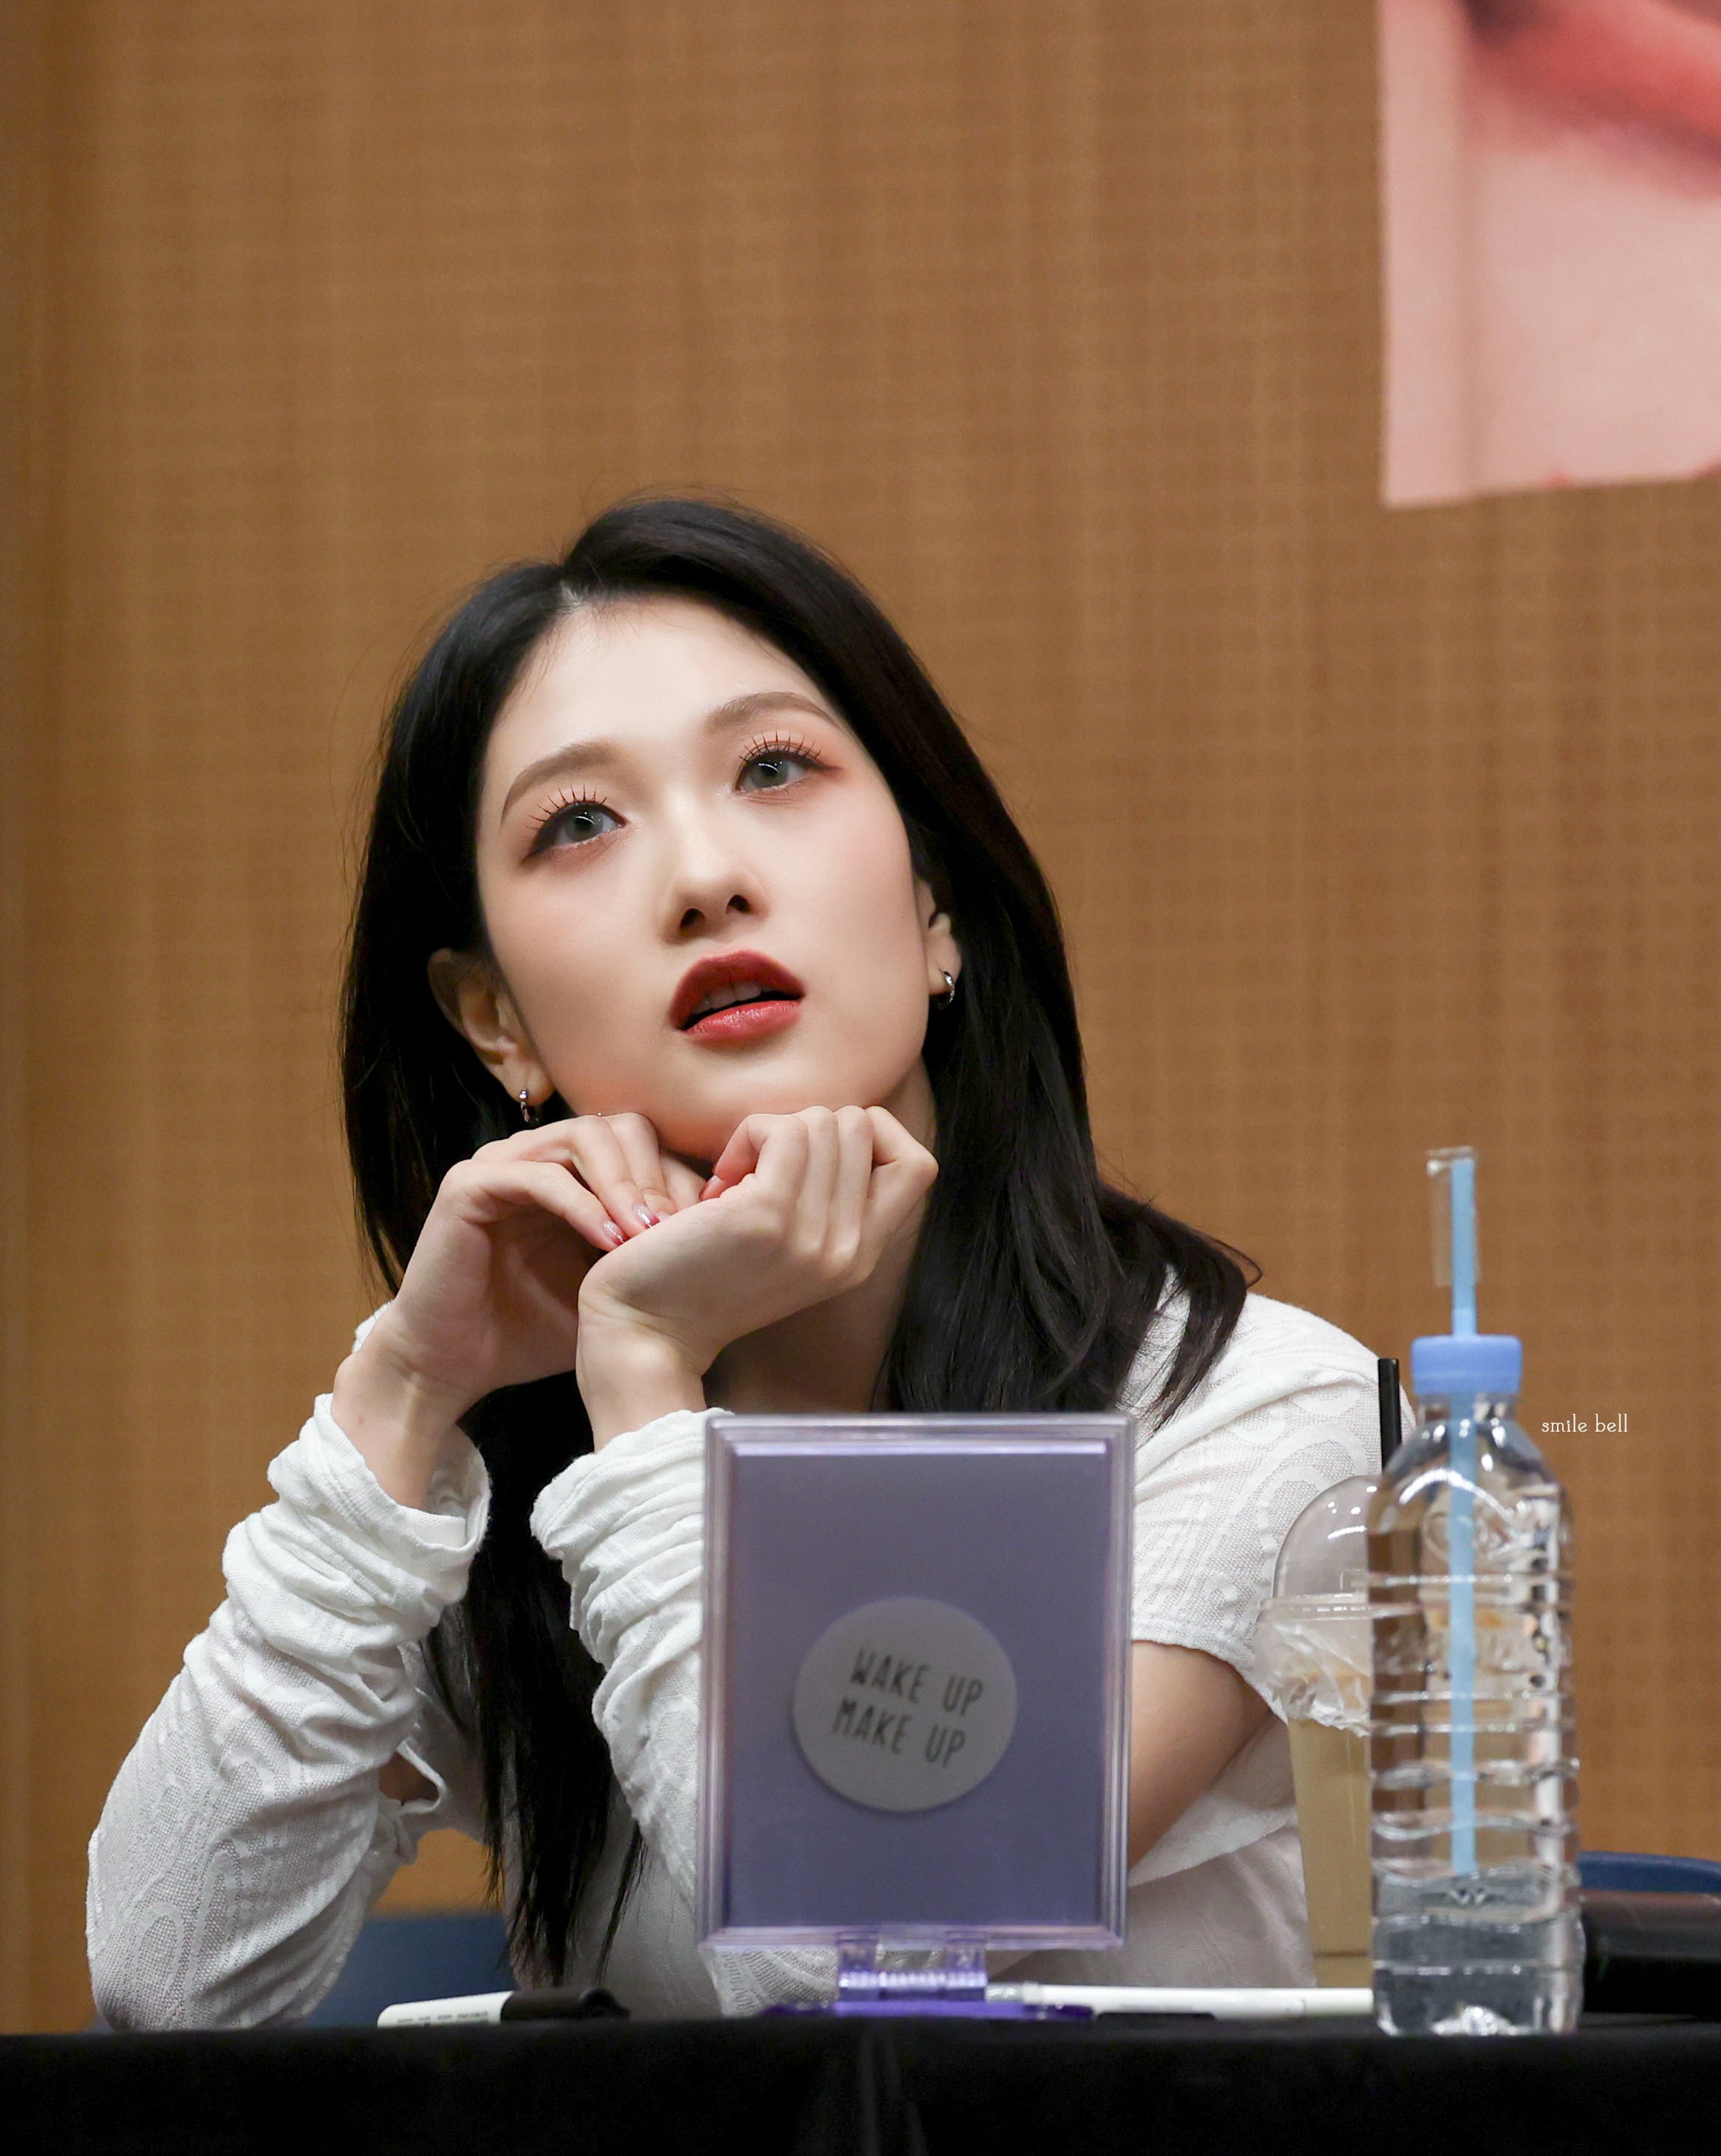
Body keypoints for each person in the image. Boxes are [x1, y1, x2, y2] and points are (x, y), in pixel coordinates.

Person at [87, 497, 1383, 2027]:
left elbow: (842, 1976)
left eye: (772, 769)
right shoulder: (520, 1494)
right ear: (495, 1021)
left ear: (934, 903)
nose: (703, 874)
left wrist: (647, 1386)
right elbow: (168, 1986)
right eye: (580, 823)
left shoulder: (1247, 1413)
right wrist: (406, 1390)